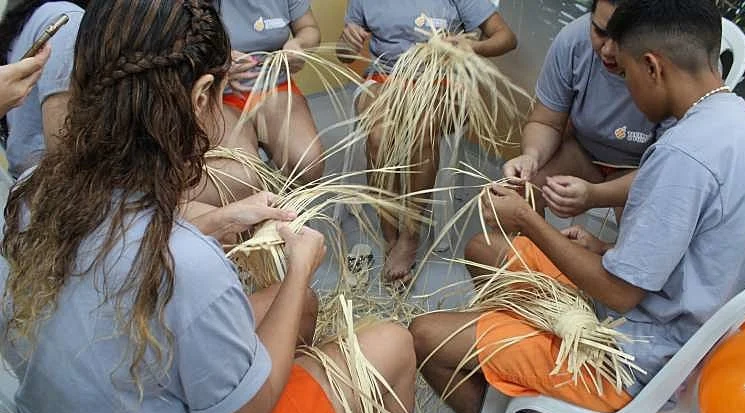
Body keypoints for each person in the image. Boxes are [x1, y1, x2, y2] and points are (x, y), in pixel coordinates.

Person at [0, 2, 416, 413]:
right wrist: (300, 264)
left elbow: (122, 250)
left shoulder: (31, 196)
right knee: (393, 344)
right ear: (200, 97)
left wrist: (222, 219)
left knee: (300, 306)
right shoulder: (189, 265)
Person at [411, 0, 745, 413]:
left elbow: (621, 294)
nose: (626, 90)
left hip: (633, 355)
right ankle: (515, 375)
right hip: (669, 319)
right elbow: (693, 255)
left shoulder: (683, 155)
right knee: (484, 248)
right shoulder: (744, 126)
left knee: (425, 335)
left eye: (625, 73)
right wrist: (603, 249)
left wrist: (530, 222)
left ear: (652, 66)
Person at [466, 0, 670, 276]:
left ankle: (583, 295)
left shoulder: (673, 66)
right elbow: (546, 121)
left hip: (642, 169)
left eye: (622, 37)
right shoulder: (573, 41)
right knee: (517, 192)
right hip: (585, 151)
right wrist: (531, 156)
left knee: (634, 252)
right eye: (599, 31)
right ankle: (534, 282)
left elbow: (664, 172)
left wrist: (594, 196)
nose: (607, 50)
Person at [337, 0, 518, 282]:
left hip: (441, 81)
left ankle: (410, 234)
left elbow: (506, 38)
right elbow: (344, 55)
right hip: (386, 79)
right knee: (379, 137)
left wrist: (472, 47)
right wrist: (347, 42)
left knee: (421, 130)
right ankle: (389, 233)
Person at [216, 1, 323, 188]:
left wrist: (299, 44)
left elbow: (309, 28)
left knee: (308, 164)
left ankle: (288, 212)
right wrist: (216, 62)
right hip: (220, 94)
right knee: (239, 179)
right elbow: (177, 48)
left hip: (274, 86)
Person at [0, 0, 87, 178]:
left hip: (27, 187)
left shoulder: (44, 13)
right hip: (43, 191)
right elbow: (61, 145)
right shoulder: (70, 20)